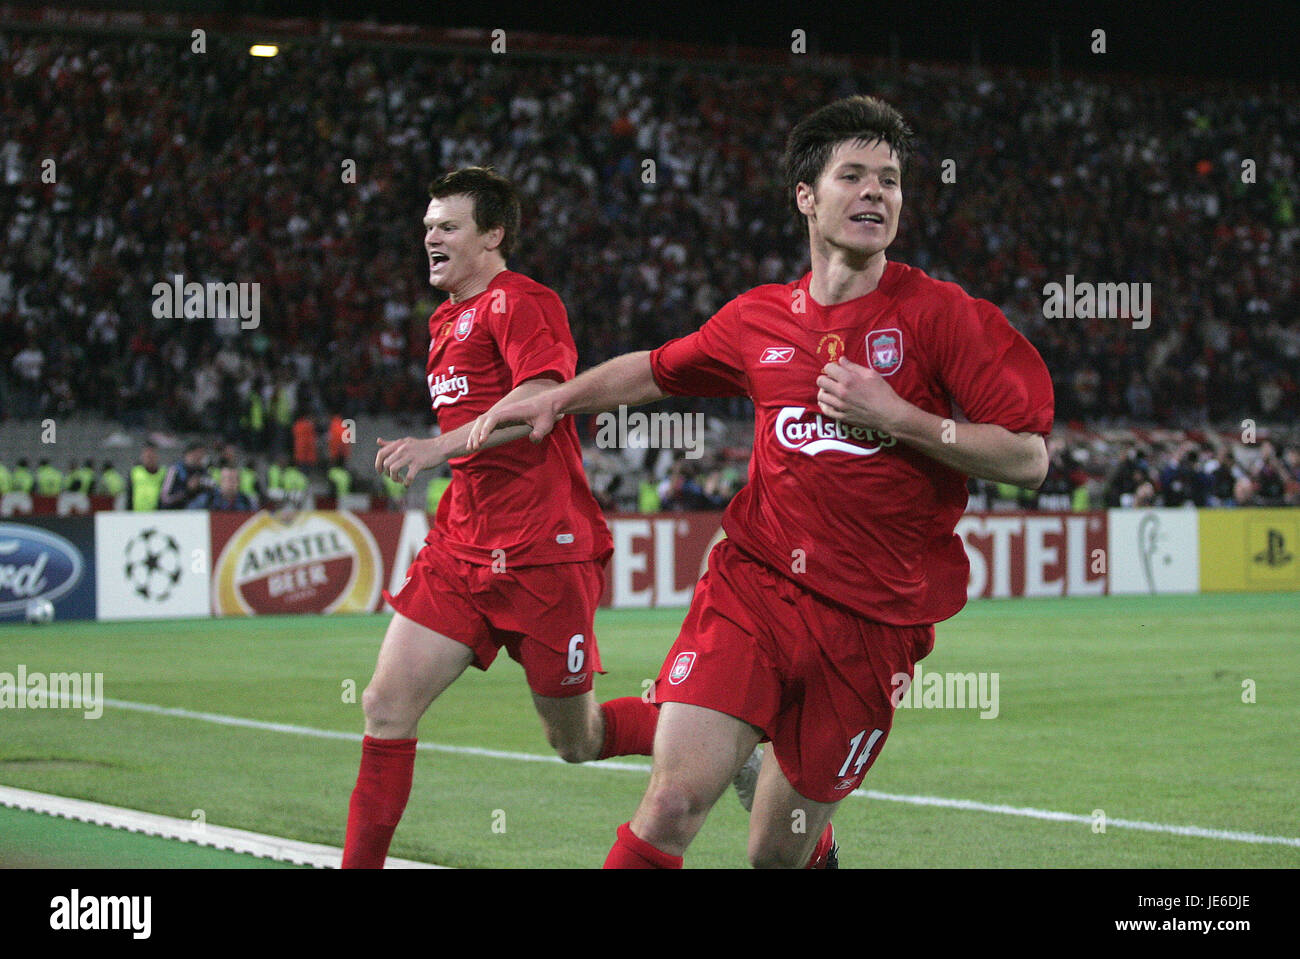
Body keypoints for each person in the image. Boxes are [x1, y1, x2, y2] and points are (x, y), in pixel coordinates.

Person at [469, 96, 1055, 869]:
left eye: (890, 178)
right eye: (854, 175)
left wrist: (902, 417)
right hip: (756, 585)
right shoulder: (758, 320)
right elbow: (652, 372)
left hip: (875, 623)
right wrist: (557, 397)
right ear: (806, 198)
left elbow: (1027, 457)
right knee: (672, 802)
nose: (877, 191)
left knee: (777, 853)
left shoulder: (943, 316)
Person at [341, 167, 661, 869]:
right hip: (462, 548)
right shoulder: (444, 319)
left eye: (447, 225)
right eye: (427, 225)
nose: (430, 236)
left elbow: (541, 402)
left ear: (492, 235)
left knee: (574, 741)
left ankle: (704, 738)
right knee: (385, 704)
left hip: (544, 551)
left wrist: (436, 447)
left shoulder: (522, 302)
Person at [160, 442, 208, 509]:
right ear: (190, 453)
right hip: (175, 512)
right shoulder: (175, 470)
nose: (202, 458)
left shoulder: (203, 471)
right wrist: (187, 490)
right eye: (199, 454)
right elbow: (165, 498)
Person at [188, 466, 254, 511]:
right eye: (227, 479)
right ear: (221, 481)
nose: (230, 483)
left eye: (233, 479)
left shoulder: (246, 501)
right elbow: (190, 513)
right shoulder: (208, 499)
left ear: (238, 482)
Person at [128, 443, 165, 511]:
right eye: (147, 456)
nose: (149, 459)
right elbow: (129, 494)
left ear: (157, 456)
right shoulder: (135, 472)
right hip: (137, 514)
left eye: (152, 456)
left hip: (157, 515)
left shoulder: (163, 473)